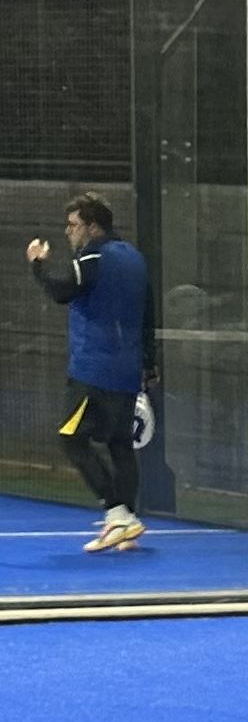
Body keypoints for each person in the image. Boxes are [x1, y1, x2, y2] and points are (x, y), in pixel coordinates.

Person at [26, 192, 157, 553]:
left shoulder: (93, 257)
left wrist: (38, 265)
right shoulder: (135, 259)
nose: (68, 231)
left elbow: (62, 290)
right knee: (119, 444)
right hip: (127, 370)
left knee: (70, 438)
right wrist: (150, 363)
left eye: (73, 225)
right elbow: (148, 313)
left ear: (93, 226)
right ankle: (126, 523)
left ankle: (116, 513)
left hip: (93, 370)